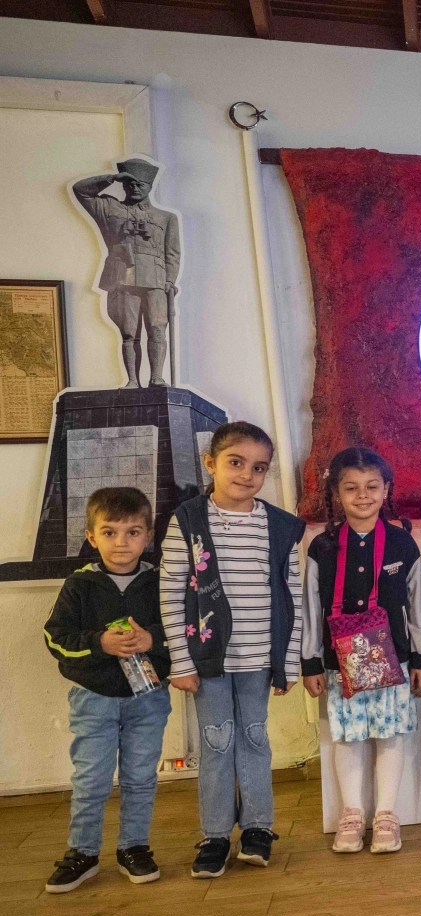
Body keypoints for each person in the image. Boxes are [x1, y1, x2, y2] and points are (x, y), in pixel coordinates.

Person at [160, 422, 304, 879]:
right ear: (211, 463)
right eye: (236, 462)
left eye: (259, 468)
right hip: (208, 660)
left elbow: (293, 596)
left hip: (260, 657)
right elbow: (170, 592)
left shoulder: (279, 526)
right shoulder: (188, 520)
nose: (247, 474)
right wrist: (180, 661)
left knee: (255, 739)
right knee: (216, 742)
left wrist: (289, 661)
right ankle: (216, 834)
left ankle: (258, 827)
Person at [302, 448, 421, 855]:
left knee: (389, 733)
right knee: (348, 736)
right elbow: (310, 606)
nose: (362, 496)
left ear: (386, 490)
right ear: (336, 494)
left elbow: (418, 603)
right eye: (351, 488)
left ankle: (387, 815)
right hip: (340, 662)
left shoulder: (401, 543)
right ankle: (352, 814)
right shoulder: (322, 547)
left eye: (372, 487)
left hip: (394, 658)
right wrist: (310, 661)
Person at [42, 488, 171, 893]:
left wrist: (151, 639)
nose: (121, 542)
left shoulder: (161, 582)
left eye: (133, 532)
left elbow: (183, 634)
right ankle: (82, 852)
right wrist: (100, 642)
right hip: (93, 699)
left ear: (148, 536)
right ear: (91, 536)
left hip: (148, 698)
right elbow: (55, 638)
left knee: (140, 776)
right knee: (91, 778)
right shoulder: (79, 585)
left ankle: (134, 847)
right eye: (109, 532)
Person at [71, 158, 180, 388]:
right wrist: (111, 178)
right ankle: (132, 380)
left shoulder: (166, 218)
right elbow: (81, 191)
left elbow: (172, 253)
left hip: (156, 279)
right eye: (130, 184)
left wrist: (170, 280)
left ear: (150, 186)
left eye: (140, 184)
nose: (135, 188)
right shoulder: (109, 208)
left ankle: (157, 377)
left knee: (157, 329)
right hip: (122, 277)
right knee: (129, 332)